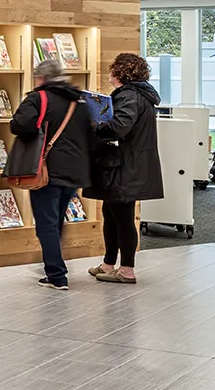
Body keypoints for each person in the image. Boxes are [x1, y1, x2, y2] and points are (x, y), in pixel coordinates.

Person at [9, 58, 94, 290]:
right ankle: (55, 269)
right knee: (56, 220)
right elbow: (91, 133)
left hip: (47, 169)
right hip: (75, 170)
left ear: (40, 78)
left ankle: (57, 275)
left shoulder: (39, 98)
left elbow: (18, 125)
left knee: (46, 223)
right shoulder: (80, 101)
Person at [85, 53, 163, 285]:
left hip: (125, 166)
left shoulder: (129, 96)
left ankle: (127, 269)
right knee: (111, 213)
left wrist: (94, 125)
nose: (109, 73)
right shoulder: (139, 95)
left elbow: (119, 127)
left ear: (119, 72)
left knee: (123, 218)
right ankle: (109, 263)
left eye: (112, 69)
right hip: (128, 164)